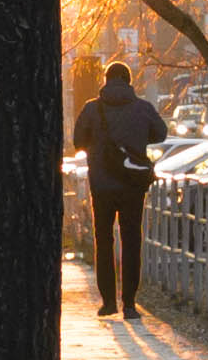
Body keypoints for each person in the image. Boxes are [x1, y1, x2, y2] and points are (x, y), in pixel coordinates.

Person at [72, 60, 168, 319]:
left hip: (101, 186)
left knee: (103, 241)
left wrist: (98, 145)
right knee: (131, 240)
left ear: (106, 80)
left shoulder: (93, 109)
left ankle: (107, 303)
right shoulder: (142, 108)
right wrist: (136, 137)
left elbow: (77, 140)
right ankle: (129, 304)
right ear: (128, 80)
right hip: (132, 185)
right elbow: (160, 134)